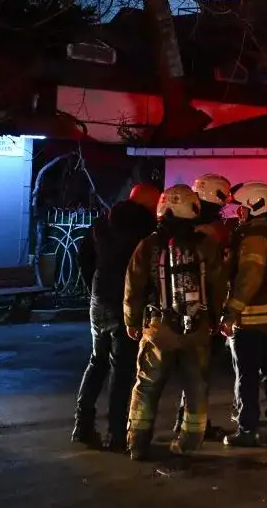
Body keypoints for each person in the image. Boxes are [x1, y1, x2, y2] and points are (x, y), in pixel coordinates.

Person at [124, 185, 230, 460]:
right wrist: (215, 319)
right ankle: (189, 442)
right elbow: (219, 285)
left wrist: (132, 321)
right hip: (198, 329)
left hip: (159, 328)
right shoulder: (206, 245)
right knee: (196, 387)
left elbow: (134, 287)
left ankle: (137, 443)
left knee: (147, 386)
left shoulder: (149, 245)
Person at [72, 183, 160, 452]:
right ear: (149, 205)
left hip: (99, 301)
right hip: (126, 305)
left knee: (97, 361)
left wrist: (94, 289)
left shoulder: (102, 223)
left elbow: (84, 258)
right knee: (122, 370)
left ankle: (82, 425)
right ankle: (117, 433)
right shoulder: (147, 231)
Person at [222, 182, 267, 447]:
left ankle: (247, 429)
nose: (239, 213)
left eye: (241, 208)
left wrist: (232, 310)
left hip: (250, 319)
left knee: (247, 378)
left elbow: (249, 277)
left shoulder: (253, 236)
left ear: (254, 206)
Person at [175, 173, 235, 439]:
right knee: (200, 373)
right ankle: (195, 428)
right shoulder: (209, 232)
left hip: (181, 309)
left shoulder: (184, 226)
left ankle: (185, 421)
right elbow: (217, 277)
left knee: (191, 372)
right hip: (204, 310)